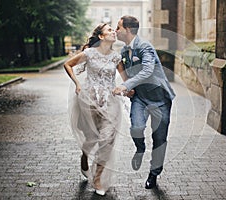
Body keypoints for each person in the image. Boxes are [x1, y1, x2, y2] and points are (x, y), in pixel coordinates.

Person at [113, 15, 176, 189]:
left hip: (160, 99)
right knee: (136, 128)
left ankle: (153, 174)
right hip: (140, 97)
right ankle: (140, 148)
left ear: (127, 29)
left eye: (118, 27)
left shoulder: (144, 47)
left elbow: (148, 70)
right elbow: (128, 72)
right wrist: (129, 88)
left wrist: (125, 85)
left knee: (159, 139)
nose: (116, 30)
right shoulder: (124, 51)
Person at [64, 23, 125, 196]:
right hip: (89, 101)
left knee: (107, 139)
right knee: (91, 137)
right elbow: (68, 64)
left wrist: (127, 88)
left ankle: (97, 178)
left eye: (114, 29)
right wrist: (77, 84)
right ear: (101, 37)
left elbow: (125, 79)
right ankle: (84, 154)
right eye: (109, 30)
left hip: (110, 103)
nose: (113, 31)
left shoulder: (116, 57)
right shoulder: (89, 53)